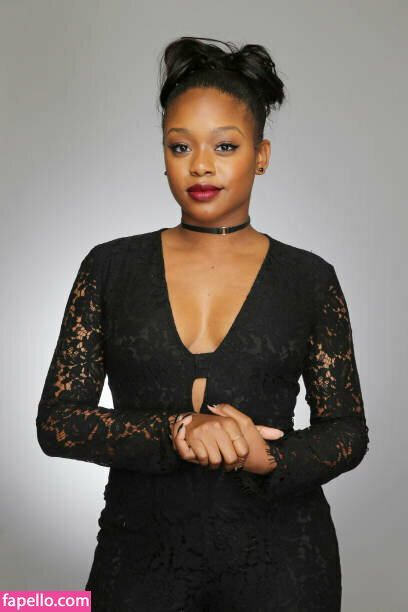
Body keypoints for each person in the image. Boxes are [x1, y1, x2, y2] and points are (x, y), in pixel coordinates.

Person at [36, 36, 370, 611]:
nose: (201, 165)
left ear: (261, 155)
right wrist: (176, 430)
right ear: (163, 154)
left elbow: (347, 430)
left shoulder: (309, 279)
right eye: (180, 146)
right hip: (139, 562)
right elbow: (58, 423)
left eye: (225, 145)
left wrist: (267, 458)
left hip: (283, 566)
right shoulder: (110, 267)